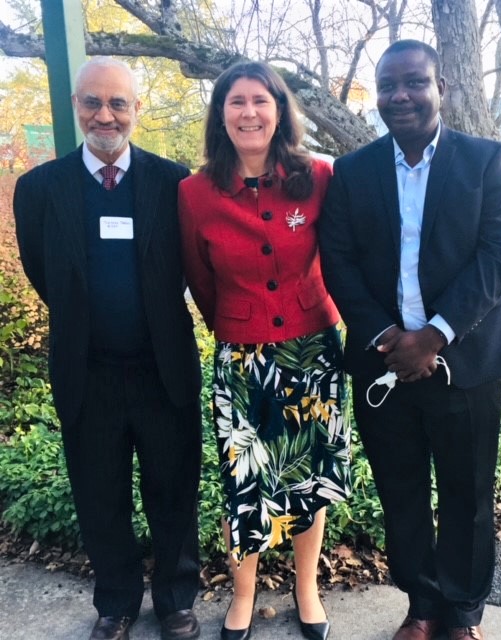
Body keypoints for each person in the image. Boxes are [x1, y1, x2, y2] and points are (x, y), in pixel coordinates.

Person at [319, 40, 501, 640]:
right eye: (388, 85)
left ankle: (462, 614)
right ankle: (422, 606)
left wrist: (433, 337)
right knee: (401, 491)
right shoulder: (353, 172)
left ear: (444, 89)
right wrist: (390, 336)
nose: (400, 96)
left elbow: (500, 256)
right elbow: (338, 261)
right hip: (383, 363)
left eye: (415, 82)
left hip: (465, 361)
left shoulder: (485, 161)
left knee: (467, 494)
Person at [13, 57, 202, 640]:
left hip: (162, 369)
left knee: (174, 491)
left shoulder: (176, 183)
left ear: (136, 110)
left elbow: (194, 266)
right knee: (101, 496)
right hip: (87, 371)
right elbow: (44, 273)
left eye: (118, 103)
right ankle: (115, 603)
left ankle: (175, 599)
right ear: (75, 106)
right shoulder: (39, 189)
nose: (105, 114)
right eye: (93, 101)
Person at [178, 61, 351, 640]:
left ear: (279, 110)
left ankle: (307, 589)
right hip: (241, 360)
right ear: (220, 114)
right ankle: (243, 595)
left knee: (309, 477)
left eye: (260, 100)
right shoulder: (195, 193)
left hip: (314, 354)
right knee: (244, 480)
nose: (248, 112)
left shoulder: (320, 175)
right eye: (235, 102)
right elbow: (201, 281)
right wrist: (238, 324)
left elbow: (344, 257)